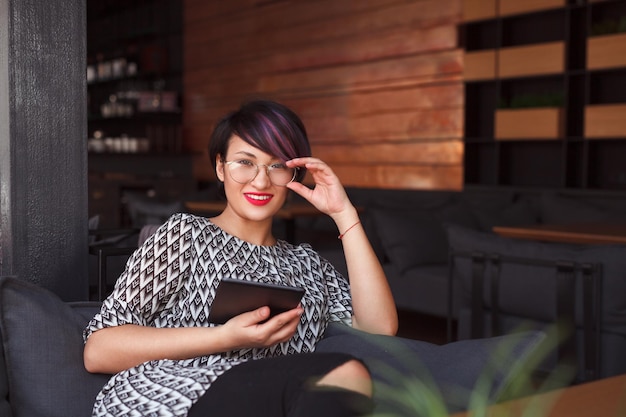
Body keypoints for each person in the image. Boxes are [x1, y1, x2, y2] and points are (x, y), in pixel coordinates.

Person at [83, 99, 398, 417]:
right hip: (171, 396)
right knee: (342, 376)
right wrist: (223, 337)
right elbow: (99, 350)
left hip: (271, 403)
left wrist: (344, 214)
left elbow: (379, 327)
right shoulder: (185, 235)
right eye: (245, 162)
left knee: (343, 380)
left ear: (295, 174)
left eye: (277, 165)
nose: (261, 181)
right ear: (220, 167)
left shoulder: (309, 265)